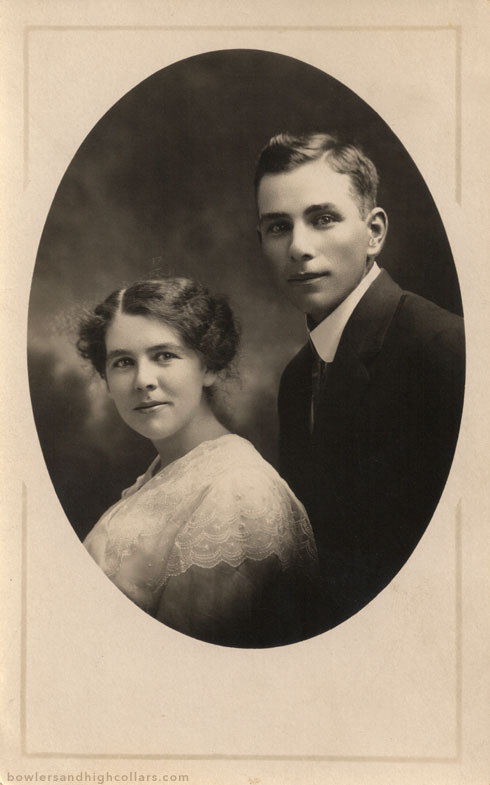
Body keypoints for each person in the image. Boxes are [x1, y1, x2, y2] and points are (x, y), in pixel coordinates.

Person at [255, 132, 465, 630]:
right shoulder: (297, 379)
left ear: (374, 232)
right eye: (277, 227)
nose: (299, 248)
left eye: (323, 218)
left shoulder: (444, 350)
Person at [77, 277, 319, 647]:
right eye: (123, 362)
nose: (143, 380)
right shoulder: (165, 475)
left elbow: (185, 664)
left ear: (210, 366)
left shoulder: (237, 490)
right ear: (106, 379)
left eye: (164, 356)